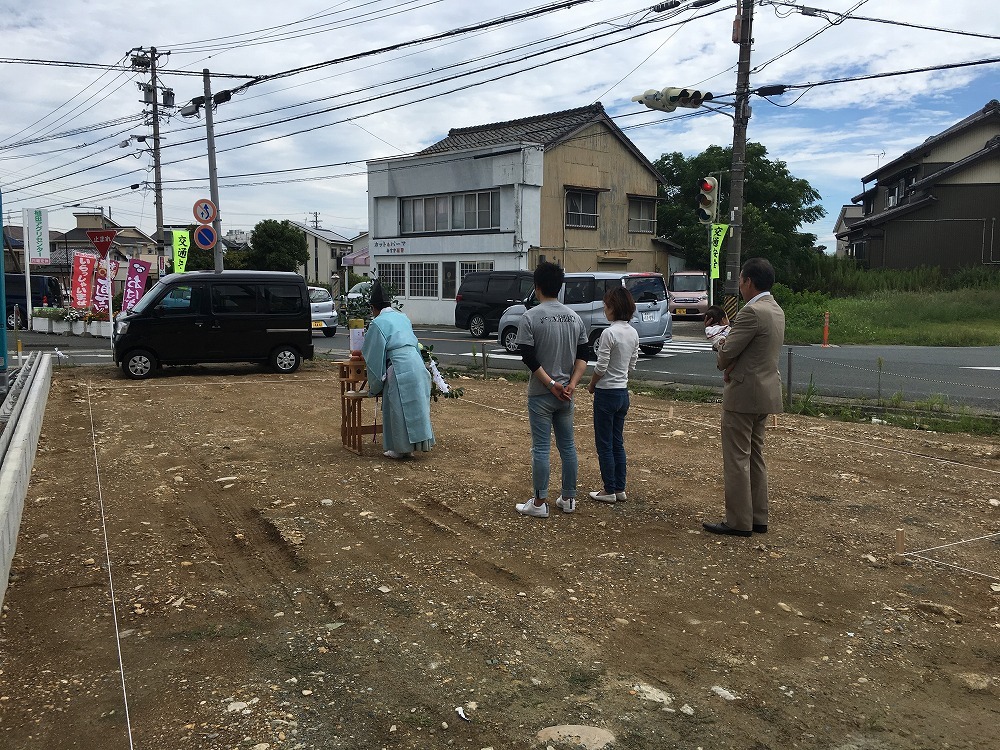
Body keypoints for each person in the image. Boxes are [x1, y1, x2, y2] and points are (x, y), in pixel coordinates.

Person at [703, 257, 785, 538]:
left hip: (743, 393)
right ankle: (758, 517)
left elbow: (726, 355)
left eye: (739, 280)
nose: (738, 285)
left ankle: (738, 521)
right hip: (766, 391)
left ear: (748, 281)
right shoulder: (775, 309)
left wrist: (718, 340)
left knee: (737, 458)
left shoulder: (752, 312)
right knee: (755, 455)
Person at [514, 262, 588, 518]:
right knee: (568, 447)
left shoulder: (530, 317)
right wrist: (571, 385)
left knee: (541, 448)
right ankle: (568, 499)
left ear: (536, 287)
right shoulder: (574, 317)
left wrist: (550, 384)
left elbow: (529, 357)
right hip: (567, 394)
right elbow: (584, 355)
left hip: (541, 393)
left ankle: (539, 502)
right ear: (560, 286)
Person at [361, 280, 435, 459]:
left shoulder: (377, 323)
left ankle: (399, 448)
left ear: (373, 307)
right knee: (416, 405)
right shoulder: (403, 317)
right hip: (416, 362)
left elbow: (373, 354)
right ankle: (417, 444)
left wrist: (376, 382)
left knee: (397, 406)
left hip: (398, 365)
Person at [586, 286, 639, 504]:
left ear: (613, 307)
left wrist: (591, 384)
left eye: (606, 305)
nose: (604, 308)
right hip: (622, 392)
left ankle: (608, 489)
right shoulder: (633, 332)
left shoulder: (609, 333)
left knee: (604, 443)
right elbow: (632, 364)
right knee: (618, 441)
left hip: (606, 393)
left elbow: (601, 366)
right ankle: (620, 488)